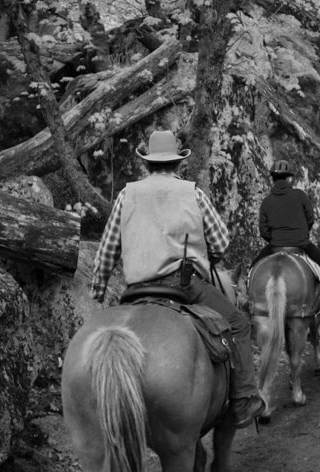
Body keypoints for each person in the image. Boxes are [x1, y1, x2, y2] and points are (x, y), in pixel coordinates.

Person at [90, 129, 264, 428]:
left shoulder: (126, 194)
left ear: (147, 164)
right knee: (238, 324)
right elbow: (221, 242)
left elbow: (107, 250)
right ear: (177, 163)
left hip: (136, 289)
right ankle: (243, 400)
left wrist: (97, 289)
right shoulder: (192, 192)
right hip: (182, 285)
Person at [251, 159, 320, 323]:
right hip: (301, 244)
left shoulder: (266, 202)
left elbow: (263, 231)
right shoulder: (299, 195)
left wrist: (275, 240)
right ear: (289, 179)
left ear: (273, 178)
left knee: (252, 271)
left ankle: (251, 306)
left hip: (275, 246)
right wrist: (301, 234)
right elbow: (310, 219)